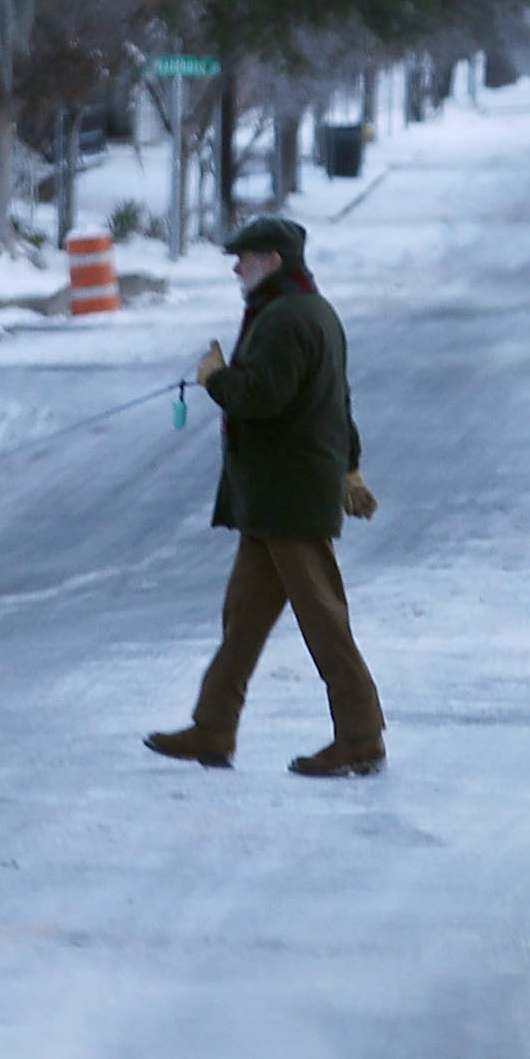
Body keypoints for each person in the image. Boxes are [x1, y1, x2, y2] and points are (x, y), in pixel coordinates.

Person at [144, 215, 386, 777]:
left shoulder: (285, 320)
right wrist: (349, 468)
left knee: (324, 621)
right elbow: (336, 402)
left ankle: (361, 736)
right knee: (244, 619)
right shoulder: (312, 311)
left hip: (289, 498)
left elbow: (261, 398)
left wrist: (215, 378)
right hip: (277, 499)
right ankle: (213, 726)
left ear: (274, 260)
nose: (236, 265)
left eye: (245, 256)